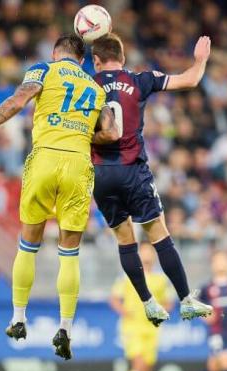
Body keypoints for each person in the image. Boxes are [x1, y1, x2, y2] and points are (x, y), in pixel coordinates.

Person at [0, 35, 119, 360]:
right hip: (78, 163)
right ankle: (66, 327)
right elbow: (112, 133)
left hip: (44, 159)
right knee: (69, 252)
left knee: (29, 242)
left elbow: (17, 100)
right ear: (82, 60)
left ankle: (18, 318)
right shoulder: (96, 88)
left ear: (56, 54)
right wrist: (81, 133)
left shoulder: (43, 70)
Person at [90, 33, 213, 326]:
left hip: (101, 173)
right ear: (123, 58)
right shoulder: (139, 79)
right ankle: (185, 300)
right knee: (158, 233)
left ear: (96, 61)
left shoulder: (87, 84)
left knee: (124, 239)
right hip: (133, 170)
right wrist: (200, 60)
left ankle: (147, 301)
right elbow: (190, 80)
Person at [109, 243, 174, 371]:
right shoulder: (127, 275)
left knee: (146, 367)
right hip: (132, 327)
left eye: (150, 251)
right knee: (138, 364)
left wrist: (162, 312)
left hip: (152, 329)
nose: (147, 254)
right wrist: (125, 312)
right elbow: (114, 299)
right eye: (143, 250)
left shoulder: (161, 279)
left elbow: (168, 302)